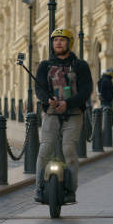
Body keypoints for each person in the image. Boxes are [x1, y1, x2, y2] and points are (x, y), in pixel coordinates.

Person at [34, 28, 93, 203]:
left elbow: (86, 90)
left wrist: (69, 103)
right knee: (45, 149)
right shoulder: (44, 65)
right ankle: (38, 187)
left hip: (73, 115)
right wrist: (48, 99)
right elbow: (39, 88)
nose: (58, 42)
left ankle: (70, 190)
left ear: (69, 42)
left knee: (68, 149)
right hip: (51, 115)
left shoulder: (80, 65)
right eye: (55, 40)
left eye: (62, 39)